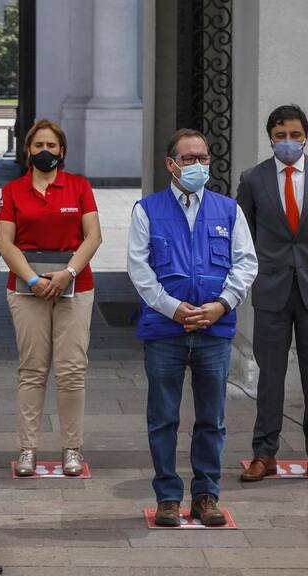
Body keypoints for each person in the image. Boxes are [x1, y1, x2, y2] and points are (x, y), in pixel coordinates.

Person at [127, 128, 257, 526]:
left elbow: (246, 263)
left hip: (214, 332)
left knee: (212, 419)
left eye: (203, 158)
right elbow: (139, 267)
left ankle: (206, 495)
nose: (199, 165)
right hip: (165, 331)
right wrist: (172, 308)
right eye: (189, 159)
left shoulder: (228, 210)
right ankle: (168, 496)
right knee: (163, 417)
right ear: (171, 164)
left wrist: (220, 306)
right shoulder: (147, 209)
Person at [0, 119, 102, 477]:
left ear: (63, 151)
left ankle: (72, 448)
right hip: (27, 290)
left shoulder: (79, 187)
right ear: (27, 150)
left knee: (72, 371)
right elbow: (5, 242)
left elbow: (93, 237)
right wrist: (31, 278)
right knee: (32, 370)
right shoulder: (13, 190)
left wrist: (67, 273)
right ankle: (27, 448)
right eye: (39, 145)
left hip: (75, 286)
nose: (45, 151)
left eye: (52, 146)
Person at [238, 105, 308, 481]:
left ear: (305, 136)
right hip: (271, 291)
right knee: (270, 377)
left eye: (295, 135)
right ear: (270, 138)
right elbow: (241, 235)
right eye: (280, 136)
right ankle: (264, 454)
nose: (288, 143)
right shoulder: (253, 179)